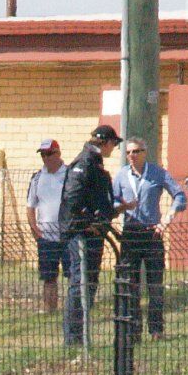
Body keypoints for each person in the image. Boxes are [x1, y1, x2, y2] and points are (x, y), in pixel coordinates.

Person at [112, 137, 187, 338]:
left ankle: (156, 330)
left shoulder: (157, 173)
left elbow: (180, 196)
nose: (131, 156)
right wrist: (123, 207)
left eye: (136, 151)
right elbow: (111, 203)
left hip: (153, 232)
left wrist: (167, 219)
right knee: (131, 284)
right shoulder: (121, 176)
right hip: (130, 234)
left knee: (155, 284)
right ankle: (134, 330)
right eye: (128, 152)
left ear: (145, 152)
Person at [59, 123, 121, 346]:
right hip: (82, 233)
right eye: (113, 143)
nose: (114, 148)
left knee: (90, 281)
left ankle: (82, 332)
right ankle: (74, 337)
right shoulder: (84, 163)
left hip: (94, 232)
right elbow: (73, 200)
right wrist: (88, 223)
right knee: (80, 281)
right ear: (105, 142)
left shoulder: (94, 163)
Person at [25, 139, 68, 313]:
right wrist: (35, 230)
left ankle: (74, 308)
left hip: (67, 234)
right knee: (49, 277)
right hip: (46, 236)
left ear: (58, 153)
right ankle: (50, 309)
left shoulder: (69, 174)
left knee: (73, 275)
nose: (46, 158)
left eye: (49, 153)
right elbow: (30, 206)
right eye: (43, 154)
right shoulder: (37, 178)